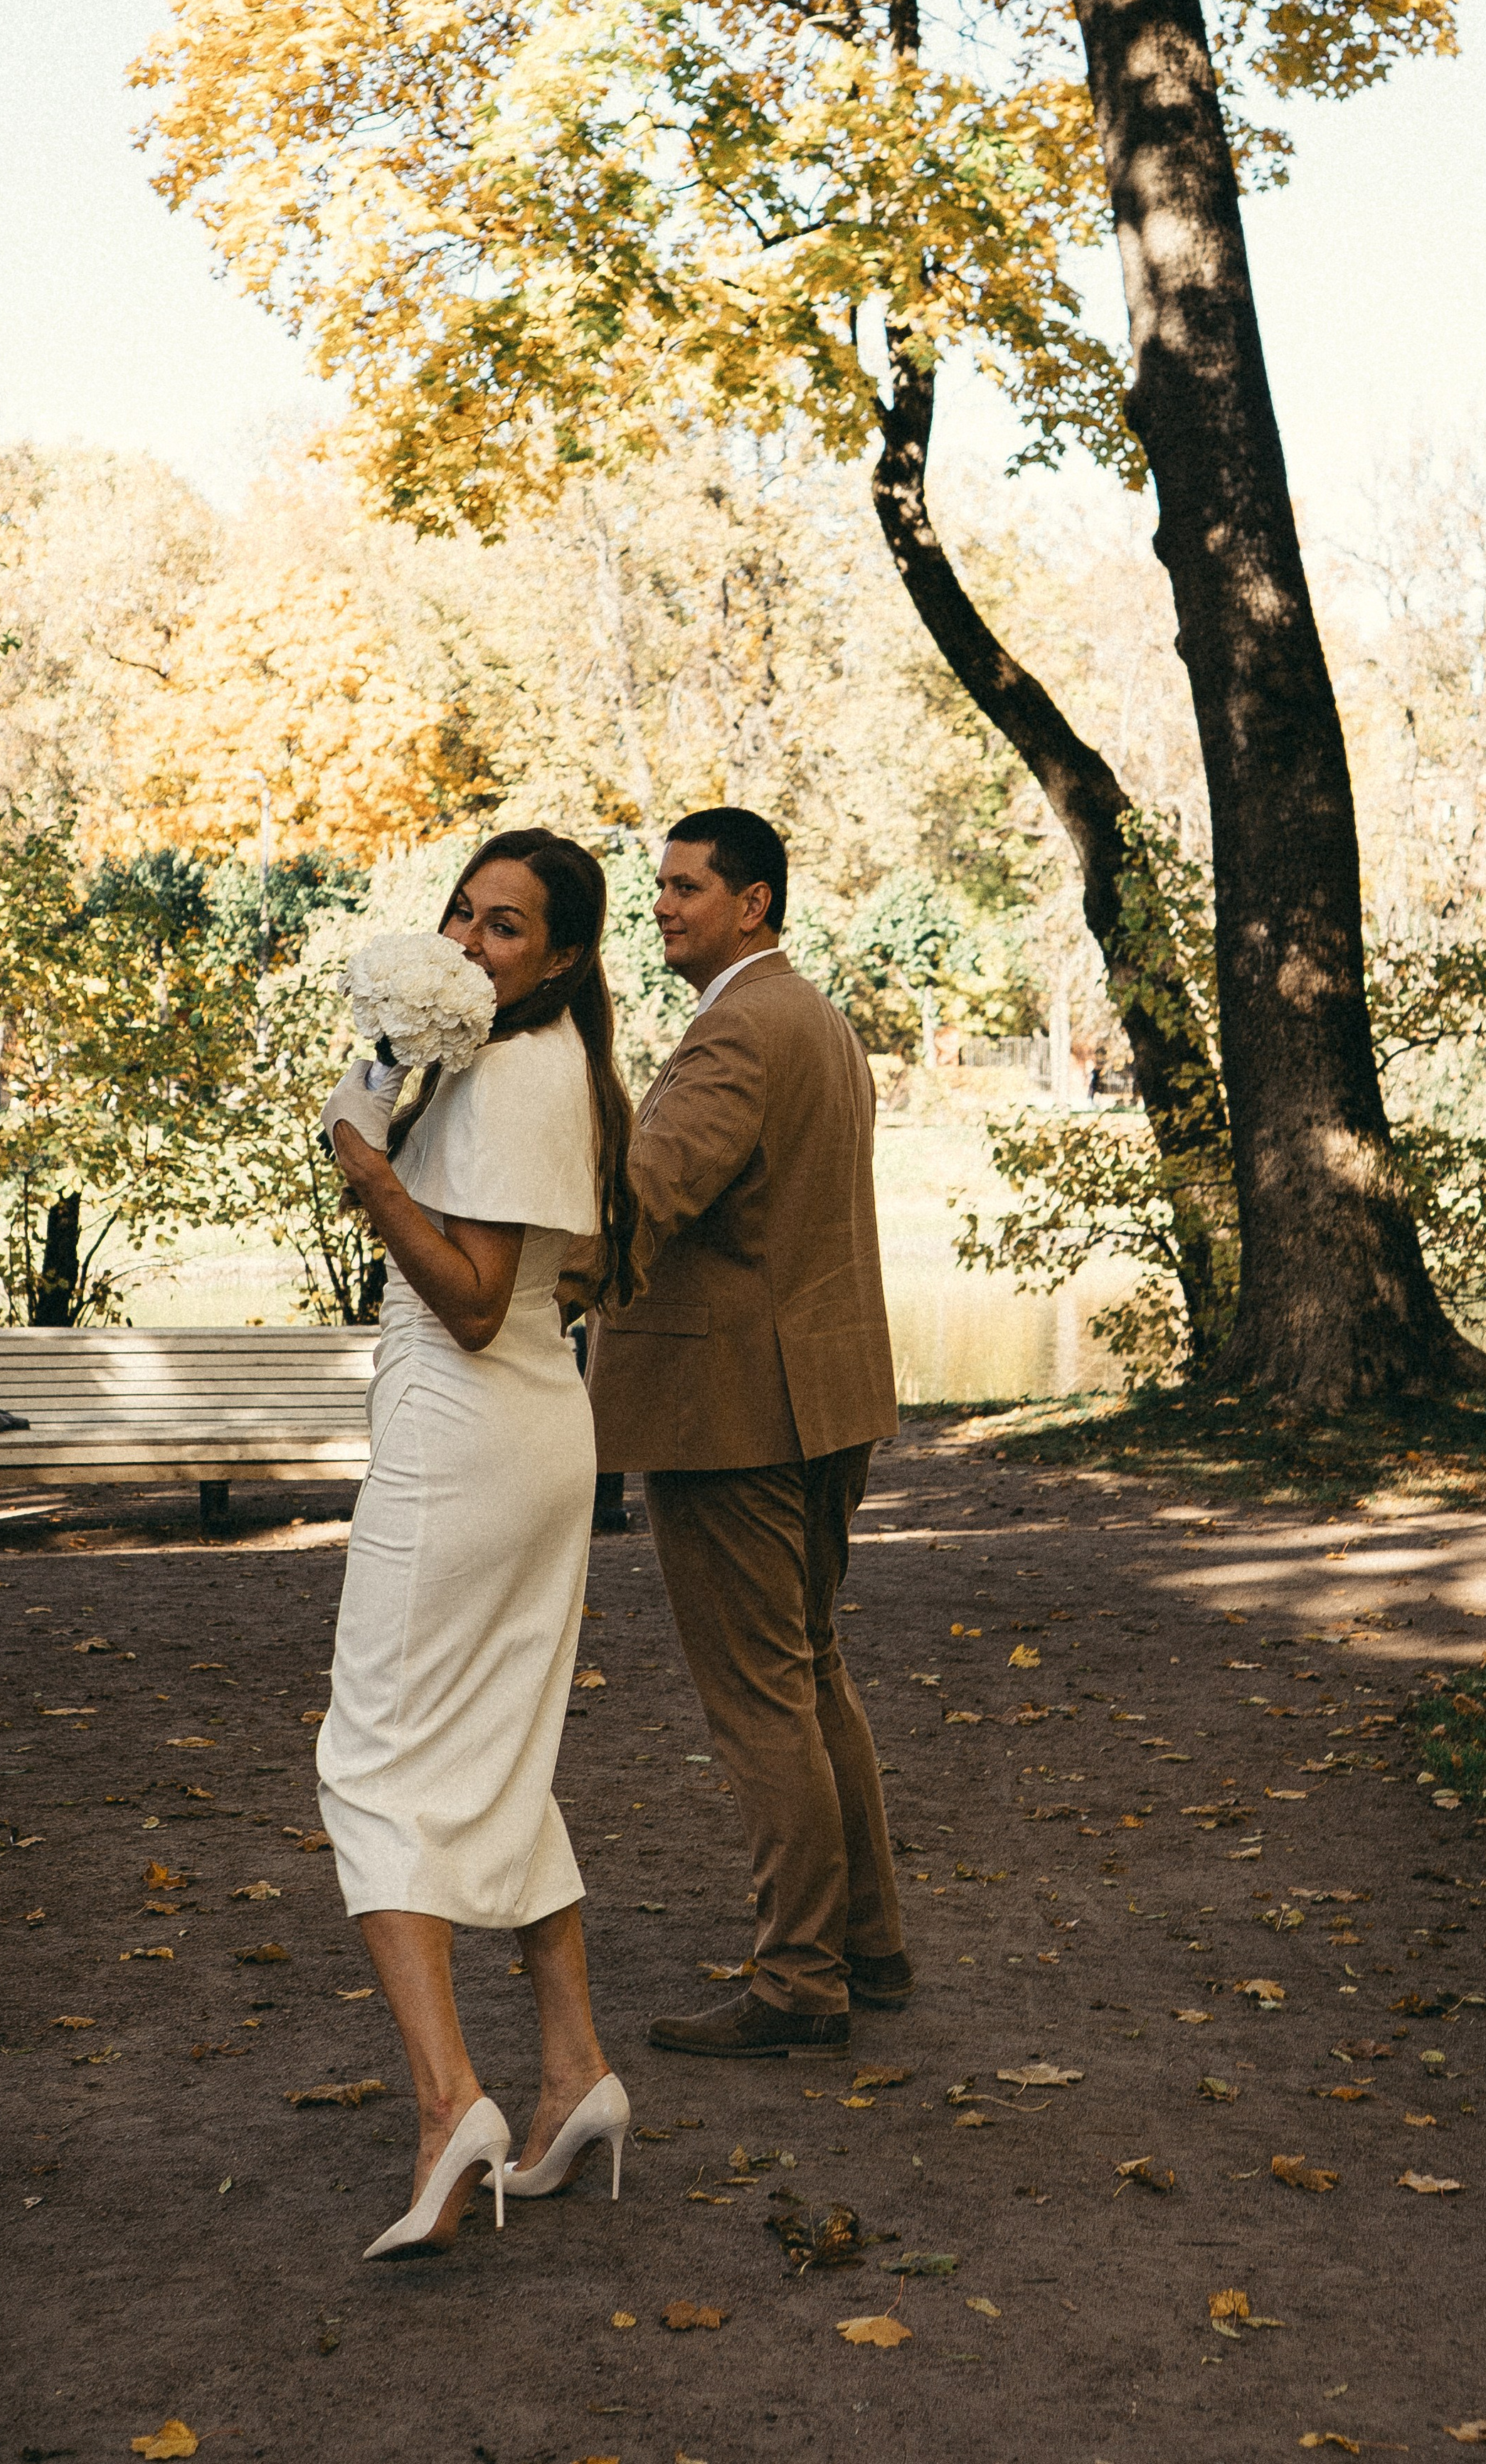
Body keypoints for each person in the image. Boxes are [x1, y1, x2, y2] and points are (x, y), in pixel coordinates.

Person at [318, 829, 640, 2260]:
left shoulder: (518, 1073)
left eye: (506, 926)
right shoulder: (517, 1053)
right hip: (524, 1438)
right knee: (496, 1760)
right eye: (460, 911)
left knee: (374, 1759)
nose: (471, 939)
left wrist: (361, 1160)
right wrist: (384, 1060)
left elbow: (464, 1296)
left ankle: (450, 2103)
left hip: (465, 1440)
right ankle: (573, 2073)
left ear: (563, 954)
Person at [580, 807, 908, 2057]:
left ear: (754, 903)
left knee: (762, 1699)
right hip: (823, 1395)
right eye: (657, 886)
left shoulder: (736, 1029)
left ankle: (797, 1983)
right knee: (813, 1672)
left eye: (684, 888)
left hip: (734, 1415)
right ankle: (868, 1948)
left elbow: (643, 1202)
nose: (660, 905)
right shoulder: (813, 1016)